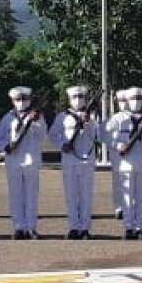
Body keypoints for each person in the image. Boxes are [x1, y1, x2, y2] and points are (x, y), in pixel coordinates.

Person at [0, 86, 47, 240]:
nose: (21, 102)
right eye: (18, 99)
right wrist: (6, 146)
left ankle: (31, 227)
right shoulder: (8, 117)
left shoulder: (37, 116)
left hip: (31, 160)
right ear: (13, 101)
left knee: (31, 195)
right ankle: (18, 227)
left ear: (29, 100)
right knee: (15, 195)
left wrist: (36, 121)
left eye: (24, 99)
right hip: (13, 160)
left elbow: (43, 136)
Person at [50, 85, 98, 239]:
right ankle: (73, 227)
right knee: (71, 195)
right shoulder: (62, 116)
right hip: (69, 160)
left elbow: (98, 135)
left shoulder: (93, 116)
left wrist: (88, 122)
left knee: (86, 195)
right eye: (74, 97)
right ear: (69, 99)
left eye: (81, 97)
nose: (78, 100)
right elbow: (53, 134)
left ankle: (85, 228)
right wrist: (62, 144)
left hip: (86, 160)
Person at [109, 86, 142, 240]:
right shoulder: (118, 118)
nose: (136, 101)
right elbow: (106, 134)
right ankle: (128, 227)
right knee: (127, 198)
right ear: (127, 100)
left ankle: (139, 227)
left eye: (139, 98)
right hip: (126, 164)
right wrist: (117, 145)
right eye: (133, 98)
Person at [107, 89, 129, 220]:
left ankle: (130, 208)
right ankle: (119, 208)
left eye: (125, 100)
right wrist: (115, 145)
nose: (123, 103)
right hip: (117, 156)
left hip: (133, 156)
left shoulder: (136, 118)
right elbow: (104, 135)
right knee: (118, 183)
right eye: (121, 101)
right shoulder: (114, 118)